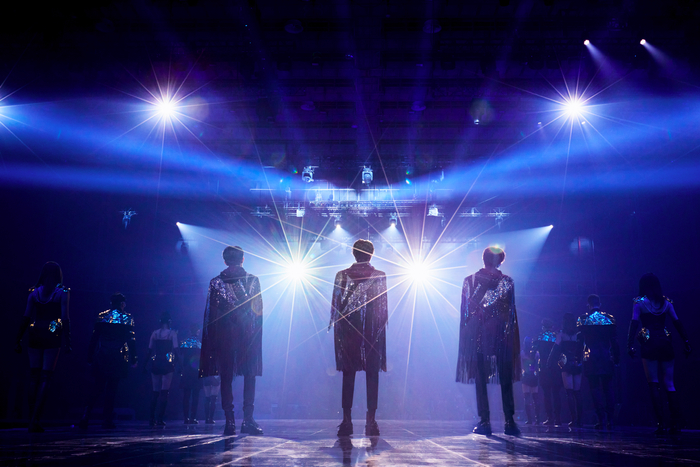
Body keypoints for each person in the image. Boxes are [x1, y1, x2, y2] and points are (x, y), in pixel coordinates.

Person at [456, 246, 521, 436]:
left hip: (480, 335)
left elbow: (466, 311)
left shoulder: (471, 280)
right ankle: (509, 421)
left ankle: (485, 421)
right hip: (501, 336)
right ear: (500, 261)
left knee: (481, 379)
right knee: (505, 378)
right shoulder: (507, 281)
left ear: (484, 259)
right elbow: (510, 313)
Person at [200, 246, 263, 436]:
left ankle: (230, 421)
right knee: (249, 375)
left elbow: (211, 315)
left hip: (225, 337)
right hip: (247, 335)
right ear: (243, 259)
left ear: (225, 261)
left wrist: (212, 341)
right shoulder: (252, 280)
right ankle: (248, 420)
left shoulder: (216, 282)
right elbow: (257, 311)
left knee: (226, 377)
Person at [330, 239, 388, 437]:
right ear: (371, 254)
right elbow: (382, 311)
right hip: (372, 333)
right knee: (372, 375)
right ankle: (371, 421)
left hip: (348, 333)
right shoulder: (380, 276)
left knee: (348, 375)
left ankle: (346, 421)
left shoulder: (341, 275)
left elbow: (336, 310)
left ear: (354, 254)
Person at [627, 273, 691, 434]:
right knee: (670, 383)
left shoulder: (639, 303)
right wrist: (686, 342)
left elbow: (634, 324)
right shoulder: (666, 303)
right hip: (665, 342)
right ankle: (675, 423)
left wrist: (629, 344)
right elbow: (677, 323)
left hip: (649, 344)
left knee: (653, 383)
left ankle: (661, 423)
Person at [15, 261, 71, 433]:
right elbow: (65, 318)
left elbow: (26, 316)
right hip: (52, 333)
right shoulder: (62, 293)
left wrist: (18, 339)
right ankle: (35, 419)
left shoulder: (34, 292)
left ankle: (31, 418)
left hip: (34, 332)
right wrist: (68, 341)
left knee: (34, 376)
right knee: (46, 376)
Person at [78, 293, 137, 430]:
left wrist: (89, 356)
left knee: (97, 387)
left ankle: (86, 415)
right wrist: (134, 358)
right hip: (118, 357)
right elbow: (131, 340)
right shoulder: (127, 318)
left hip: (102, 355)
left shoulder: (102, 316)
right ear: (122, 304)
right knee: (112, 389)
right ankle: (107, 419)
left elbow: (94, 338)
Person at [578, 294, 620, 429]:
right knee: (608, 388)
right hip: (606, 356)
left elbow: (580, 340)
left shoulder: (584, 319)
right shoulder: (609, 319)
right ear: (600, 304)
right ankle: (610, 419)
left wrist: (578, 358)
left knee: (594, 388)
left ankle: (601, 418)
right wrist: (617, 357)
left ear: (588, 305)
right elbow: (614, 340)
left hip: (591, 357)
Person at [549, 312, 583, 427]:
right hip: (577, 363)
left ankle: (573, 419)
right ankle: (579, 420)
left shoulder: (561, 335)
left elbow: (555, 350)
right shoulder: (578, 335)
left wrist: (549, 362)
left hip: (566, 364)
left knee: (569, 392)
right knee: (577, 392)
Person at [148, 312, 178, 427]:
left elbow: (149, 350)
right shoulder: (172, 333)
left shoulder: (155, 333)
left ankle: (151, 418)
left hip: (156, 363)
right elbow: (176, 349)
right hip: (167, 363)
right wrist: (180, 365)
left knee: (155, 391)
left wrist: (145, 364)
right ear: (169, 321)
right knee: (164, 391)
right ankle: (160, 418)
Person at [534, 319, 561, 426]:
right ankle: (558, 418)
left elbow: (534, 352)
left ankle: (550, 418)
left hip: (544, 367)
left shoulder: (539, 337)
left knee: (546, 393)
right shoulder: (556, 337)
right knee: (556, 393)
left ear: (543, 327)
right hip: (555, 367)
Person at [180, 323, 202, 424]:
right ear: (197, 331)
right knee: (195, 395)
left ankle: (186, 417)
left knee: (186, 395)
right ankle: (193, 417)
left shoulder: (184, 343)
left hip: (187, 370)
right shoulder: (200, 343)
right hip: (196, 370)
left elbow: (181, 355)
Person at [520, 336, 541, 425]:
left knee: (527, 397)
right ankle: (537, 419)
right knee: (535, 398)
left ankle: (529, 419)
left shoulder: (522, 353)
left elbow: (521, 365)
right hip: (533, 375)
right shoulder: (536, 353)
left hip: (526, 375)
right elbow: (537, 365)